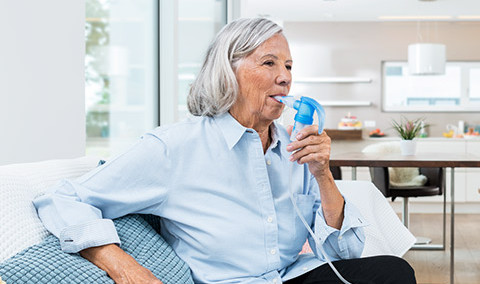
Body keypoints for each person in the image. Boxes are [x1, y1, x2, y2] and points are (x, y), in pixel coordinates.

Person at [34, 18, 416, 284]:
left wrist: (322, 173)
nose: (284, 76)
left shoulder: (292, 149)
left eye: (287, 65)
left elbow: (344, 252)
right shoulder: (173, 148)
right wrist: (120, 265)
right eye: (269, 63)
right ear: (227, 71)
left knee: (393, 273)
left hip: (290, 275)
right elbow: (63, 198)